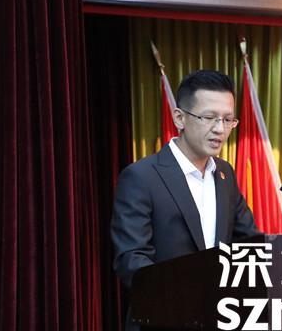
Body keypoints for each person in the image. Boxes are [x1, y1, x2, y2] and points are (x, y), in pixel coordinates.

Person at [111, 69, 259, 319]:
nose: (220, 129)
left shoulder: (225, 174)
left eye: (228, 120)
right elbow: (132, 261)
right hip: (164, 319)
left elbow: (249, 244)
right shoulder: (141, 177)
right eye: (209, 117)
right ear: (179, 118)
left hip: (219, 318)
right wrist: (189, 298)